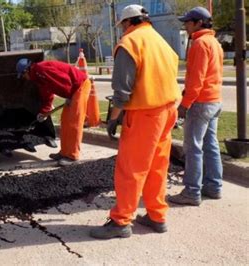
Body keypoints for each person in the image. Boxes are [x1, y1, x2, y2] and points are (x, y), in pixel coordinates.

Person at [88, 4, 181, 239]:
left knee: (131, 168)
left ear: (128, 23)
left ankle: (121, 222)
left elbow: (122, 92)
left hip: (144, 115)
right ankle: (157, 216)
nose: (122, 31)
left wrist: (113, 118)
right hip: (167, 111)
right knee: (157, 166)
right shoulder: (161, 41)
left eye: (122, 26)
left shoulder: (129, 43)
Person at [168, 7, 223, 206]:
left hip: (200, 103)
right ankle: (214, 186)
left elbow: (196, 81)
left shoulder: (199, 44)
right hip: (214, 101)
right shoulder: (214, 42)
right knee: (211, 146)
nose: (186, 25)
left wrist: (184, 105)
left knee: (193, 148)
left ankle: (192, 192)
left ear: (199, 23)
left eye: (188, 22)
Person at [16, 58, 91, 166]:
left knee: (74, 123)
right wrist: (44, 111)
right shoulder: (38, 77)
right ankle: (64, 153)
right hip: (72, 90)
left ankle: (73, 156)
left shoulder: (41, 69)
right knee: (65, 122)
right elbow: (47, 93)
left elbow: (64, 80)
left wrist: (70, 96)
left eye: (23, 76)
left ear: (26, 71)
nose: (25, 78)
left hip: (80, 86)